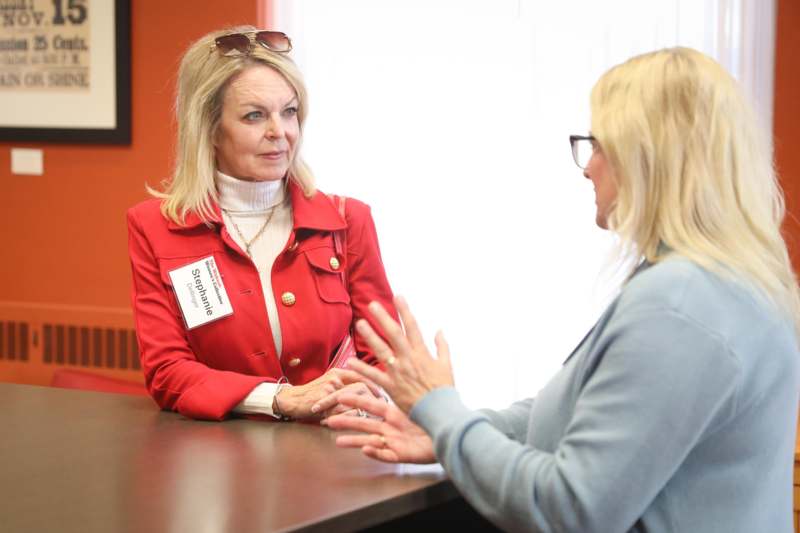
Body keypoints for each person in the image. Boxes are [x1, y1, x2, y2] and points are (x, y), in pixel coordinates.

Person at [322, 47, 800, 532]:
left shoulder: (679, 305)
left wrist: (439, 408)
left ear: (647, 159)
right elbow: (581, 411)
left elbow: (570, 510)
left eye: (599, 145)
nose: (588, 166)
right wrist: (449, 429)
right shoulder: (728, 278)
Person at [127, 27, 397, 422]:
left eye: (289, 112)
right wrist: (281, 399)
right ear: (210, 130)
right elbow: (167, 373)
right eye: (255, 116)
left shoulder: (347, 220)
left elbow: (385, 356)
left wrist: (364, 397)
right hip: (219, 463)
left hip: (332, 451)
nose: (280, 133)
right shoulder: (155, 227)